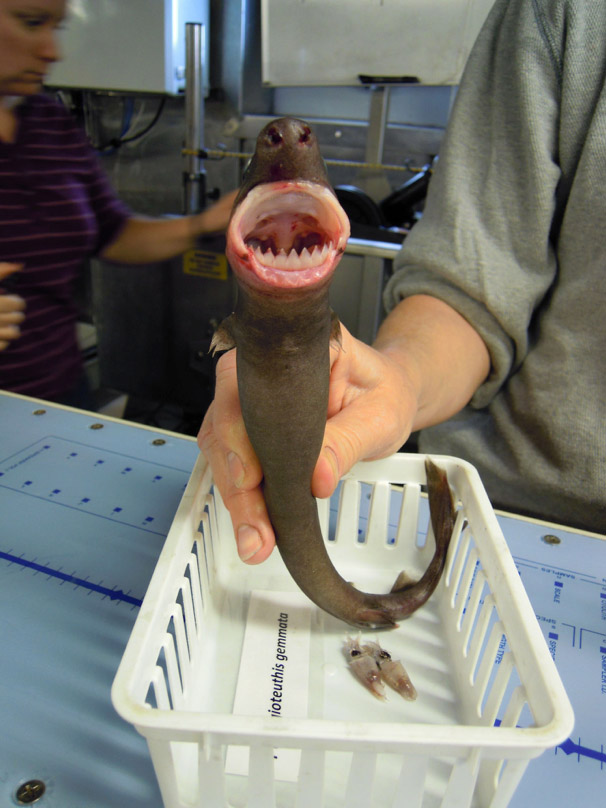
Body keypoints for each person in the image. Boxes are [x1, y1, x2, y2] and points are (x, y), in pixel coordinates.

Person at [198, 0, 605, 556]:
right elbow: (472, 284)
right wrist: (400, 383)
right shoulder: (558, 12)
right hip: (491, 505)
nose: (288, 139)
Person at [0, 0, 235, 406]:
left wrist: (206, 223)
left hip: (58, 396)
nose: (52, 52)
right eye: (31, 22)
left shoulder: (48, 123)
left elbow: (112, 232)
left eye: (56, 27)